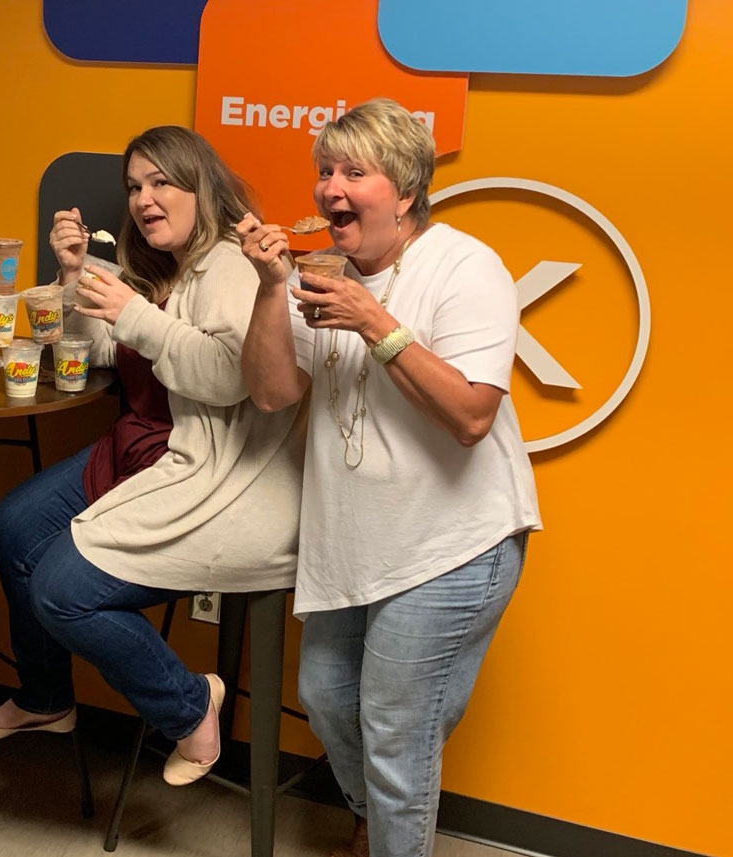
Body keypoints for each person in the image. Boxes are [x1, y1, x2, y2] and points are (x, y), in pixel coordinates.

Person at [237, 98, 541, 857]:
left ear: (404, 192)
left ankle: (393, 831)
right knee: (329, 699)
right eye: (324, 171)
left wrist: (375, 321)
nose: (329, 188)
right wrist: (273, 288)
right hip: (357, 543)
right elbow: (274, 392)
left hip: (455, 542)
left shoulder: (465, 265)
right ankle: (385, 818)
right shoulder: (321, 273)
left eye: (354, 173)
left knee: (398, 735)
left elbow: (472, 416)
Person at [0, 125, 306, 784]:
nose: (145, 199)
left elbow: (231, 376)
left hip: (205, 469)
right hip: (137, 445)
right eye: (135, 187)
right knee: (14, 525)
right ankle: (45, 696)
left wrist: (131, 311)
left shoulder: (231, 265)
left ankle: (189, 702)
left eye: (161, 182)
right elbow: (99, 352)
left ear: (203, 184)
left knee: (62, 589)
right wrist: (74, 275)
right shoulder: (156, 268)